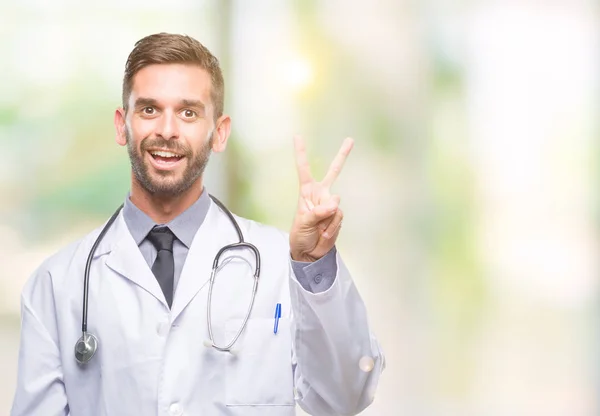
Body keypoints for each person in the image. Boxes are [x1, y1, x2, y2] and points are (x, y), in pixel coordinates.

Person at [11, 33, 385, 416]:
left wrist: (312, 264)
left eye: (188, 112)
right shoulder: (57, 284)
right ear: (122, 126)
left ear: (218, 132)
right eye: (149, 110)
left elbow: (345, 397)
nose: (168, 131)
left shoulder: (279, 263)